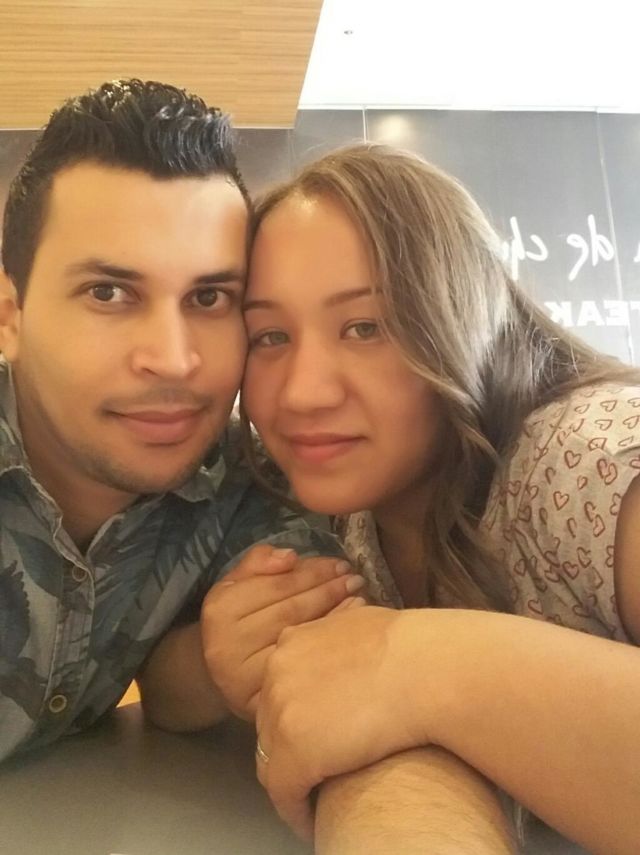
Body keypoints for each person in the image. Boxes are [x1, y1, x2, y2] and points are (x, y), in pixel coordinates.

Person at [238, 143, 640, 854]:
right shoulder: (338, 512)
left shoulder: (589, 459)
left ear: (462, 317)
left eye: (366, 327)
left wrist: (415, 664)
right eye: (269, 336)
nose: (301, 393)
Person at [0, 78, 360, 763]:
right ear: (11, 316)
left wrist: (209, 662)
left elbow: (302, 671)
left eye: (209, 297)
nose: (174, 360)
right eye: (109, 292)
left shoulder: (243, 484)